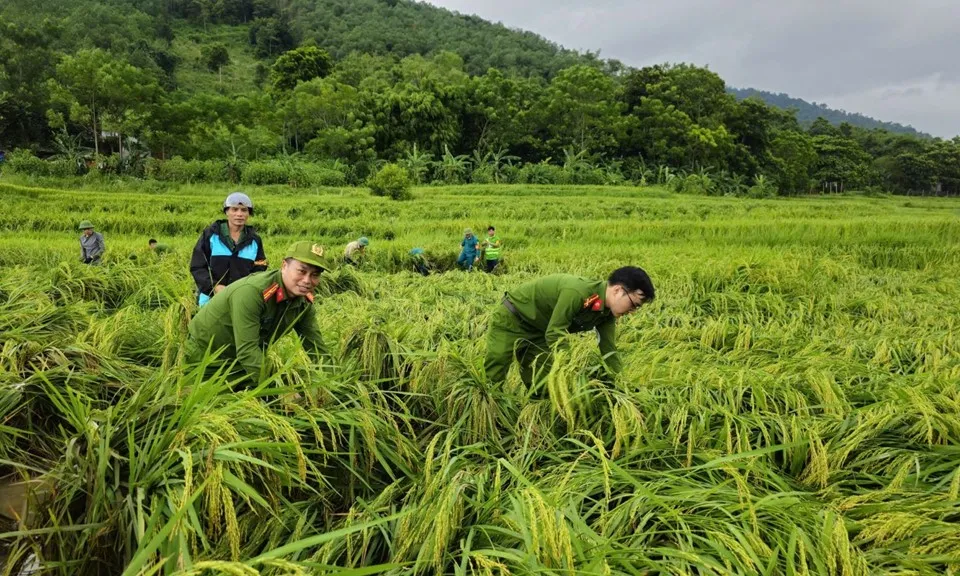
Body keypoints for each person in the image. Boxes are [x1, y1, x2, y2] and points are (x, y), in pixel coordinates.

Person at [184, 241, 332, 386]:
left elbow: (316, 348)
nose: (307, 280)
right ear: (284, 266)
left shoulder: (303, 303)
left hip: (243, 362)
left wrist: (334, 383)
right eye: (301, 271)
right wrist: (282, 391)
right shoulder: (253, 292)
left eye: (315, 275)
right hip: (205, 360)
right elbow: (247, 351)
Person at [484, 266, 655, 392]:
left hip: (539, 331)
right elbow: (555, 332)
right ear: (618, 290)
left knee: (542, 382)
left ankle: (534, 420)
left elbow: (608, 349)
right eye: (633, 305)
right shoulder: (578, 292)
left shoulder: (606, 314)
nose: (632, 312)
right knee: (496, 370)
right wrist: (571, 365)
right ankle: (490, 412)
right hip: (513, 318)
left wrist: (622, 384)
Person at [190, 192, 267, 307]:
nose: (239, 214)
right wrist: (215, 287)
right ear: (226, 211)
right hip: (210, 299)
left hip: (240, 299)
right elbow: (197, 266)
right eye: (234, 209)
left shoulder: (255, 240)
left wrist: (246, 289)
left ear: (249, 213)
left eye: (244, 210)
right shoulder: (211, 235)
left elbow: (260, 266)